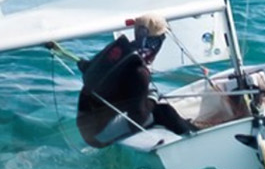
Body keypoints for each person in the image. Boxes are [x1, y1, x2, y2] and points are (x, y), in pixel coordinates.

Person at [73, 13, 197, 147]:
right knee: (163, 111)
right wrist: (152, 99)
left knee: (152, 107)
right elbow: (138, 117)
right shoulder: (139, 72)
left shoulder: (117, 52)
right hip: (98, 137)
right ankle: (196, 139)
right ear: (156, 42)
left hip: (86, 127)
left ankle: (189, 128)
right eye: (161, 39)